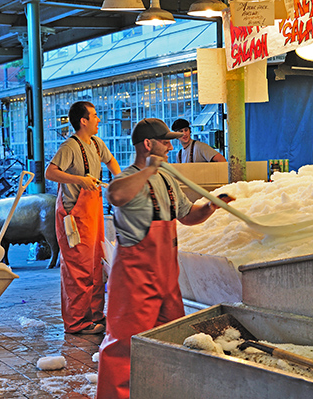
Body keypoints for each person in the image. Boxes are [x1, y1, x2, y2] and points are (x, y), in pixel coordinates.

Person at [97, 118, 233, 399]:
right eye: (165, 141)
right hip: (134, 280)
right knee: (125, 345)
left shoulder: (167, 179)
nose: (171, 146)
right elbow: (116, 195)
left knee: (168, 339)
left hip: (167, 278)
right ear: (148, 144)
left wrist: (210, 206)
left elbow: (187, 216)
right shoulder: (128, 178)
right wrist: (148, 170)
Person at [45, 101, 121, 335]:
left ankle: (96, 317)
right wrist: (80, 180)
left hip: (94, 213)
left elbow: (111, 162)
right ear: (83, 121)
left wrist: (121, 181)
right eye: (95, 116)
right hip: (74, 217)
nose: (99, 119)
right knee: (78, 269)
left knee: (97, 263)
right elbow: (50, 172)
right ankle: (77, 323)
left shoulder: (97, 144)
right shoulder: (70, 146)